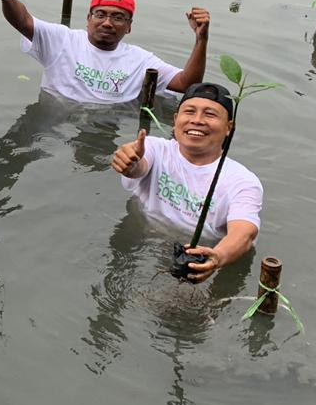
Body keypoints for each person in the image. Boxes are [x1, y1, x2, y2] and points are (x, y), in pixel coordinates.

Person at [111, 82, 262, 283]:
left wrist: (218, 258)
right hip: (142, 236)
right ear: (175, 120)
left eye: (210, 114)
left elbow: (245, 234)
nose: (197, 120)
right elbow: (138, 166)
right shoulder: (155, 148)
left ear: (229, 128)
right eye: (189, 111)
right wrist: (128, 162)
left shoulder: (242, 181)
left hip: (199, 258)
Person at [0, 0, 208, 102]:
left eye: (118, 17)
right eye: (100, 14)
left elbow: (186, 84)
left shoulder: (140, 60)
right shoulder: (62, 40)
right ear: (88, 19)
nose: (108, 23)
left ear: (129, 27)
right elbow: (23, 21)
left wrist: (201, 39)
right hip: (56, 119)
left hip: (110, 122)